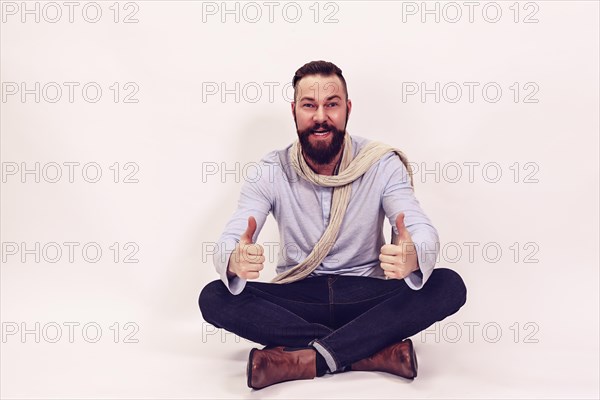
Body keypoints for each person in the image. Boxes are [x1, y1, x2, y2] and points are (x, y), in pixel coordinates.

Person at [199, 60, 467, 390]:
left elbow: (418, 225)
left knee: (448, 285)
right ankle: (367, 351)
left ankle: (308, 357)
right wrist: (234, 258)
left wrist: (414, 255)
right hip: (299, 297)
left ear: (347, 109)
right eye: (309, 105)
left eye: (332, 104)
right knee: (214, 297)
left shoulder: (381, 164)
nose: (321, 117)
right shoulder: (271, 169)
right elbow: (232, 234)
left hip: (366, 295)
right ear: (294, 110)